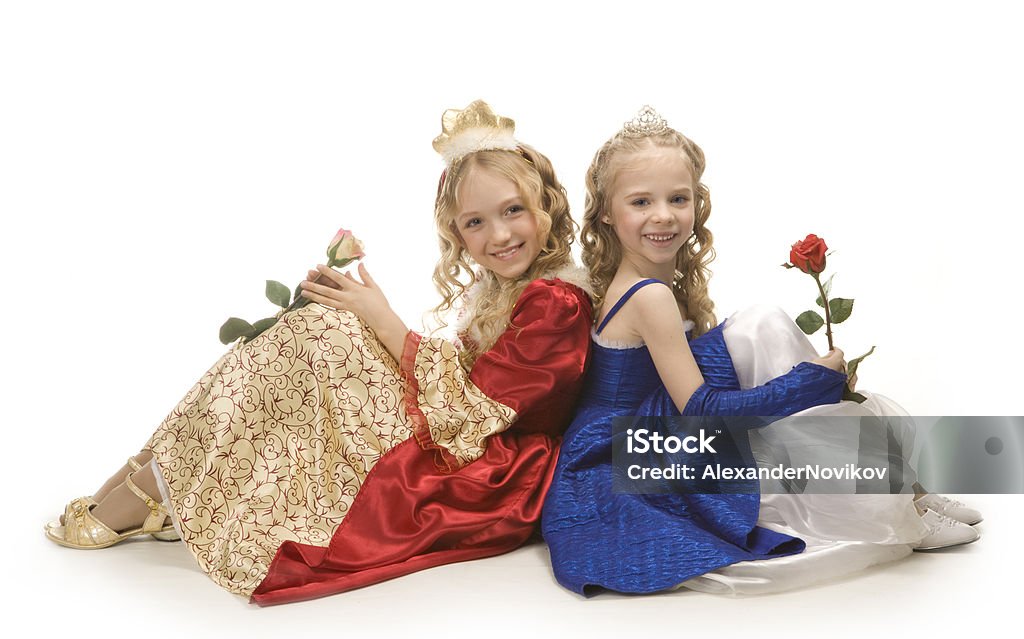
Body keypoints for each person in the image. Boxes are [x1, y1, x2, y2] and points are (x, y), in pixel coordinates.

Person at [45, 100, 593, 606]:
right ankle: (153, 475)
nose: (498, 235)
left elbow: (475, 411)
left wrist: (380, 319)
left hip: (494, 470)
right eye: (475, 222)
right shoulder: (503, 290)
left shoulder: (558, 301)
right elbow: (453, 390)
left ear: (544, 206)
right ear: (457, 233)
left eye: (513, 210)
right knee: (313, 331)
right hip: (460, 437)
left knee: (318, 337)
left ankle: (146, 489)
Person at [541, 106, 980, 597]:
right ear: (605, 212)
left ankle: (904, 494)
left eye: (677, 198)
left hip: (651, 429)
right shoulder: (650, 295)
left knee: (760, 330)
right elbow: (702, 410)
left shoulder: (660, 279)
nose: (663, 216)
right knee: (761, 328)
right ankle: (901, 506)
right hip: (621, 456)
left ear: (697, 204)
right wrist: (807, 381)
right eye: (640, 202)